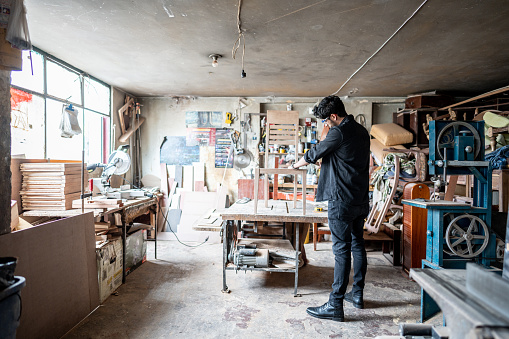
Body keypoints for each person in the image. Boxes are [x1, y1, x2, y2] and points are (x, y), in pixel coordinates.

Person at [290, 95, 370, 322]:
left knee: (341, 250)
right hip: (360, 198)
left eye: (326, 120)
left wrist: (296, 163)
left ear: (334, 116)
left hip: (341, 200)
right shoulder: (362, 132)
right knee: (357, 245)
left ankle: (335, 304)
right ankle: (357, 295)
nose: (325, 123)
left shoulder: (338, 132)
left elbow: (316, 152)